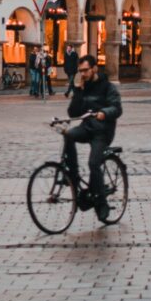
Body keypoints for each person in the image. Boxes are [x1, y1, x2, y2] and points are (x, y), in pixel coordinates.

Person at [64, 54, 123, 220]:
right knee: (68, 135)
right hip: (87, 128)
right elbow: (73, 112)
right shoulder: (83, 87)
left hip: (103, 132)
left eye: (85, 70)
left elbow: (117, 108)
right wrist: (78, 91)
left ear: (94, 68)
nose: (83, 74)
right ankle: (73, 174)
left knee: (93, 163)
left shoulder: (107, 87)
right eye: (80, 71)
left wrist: (104, 113)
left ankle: (101, 202)